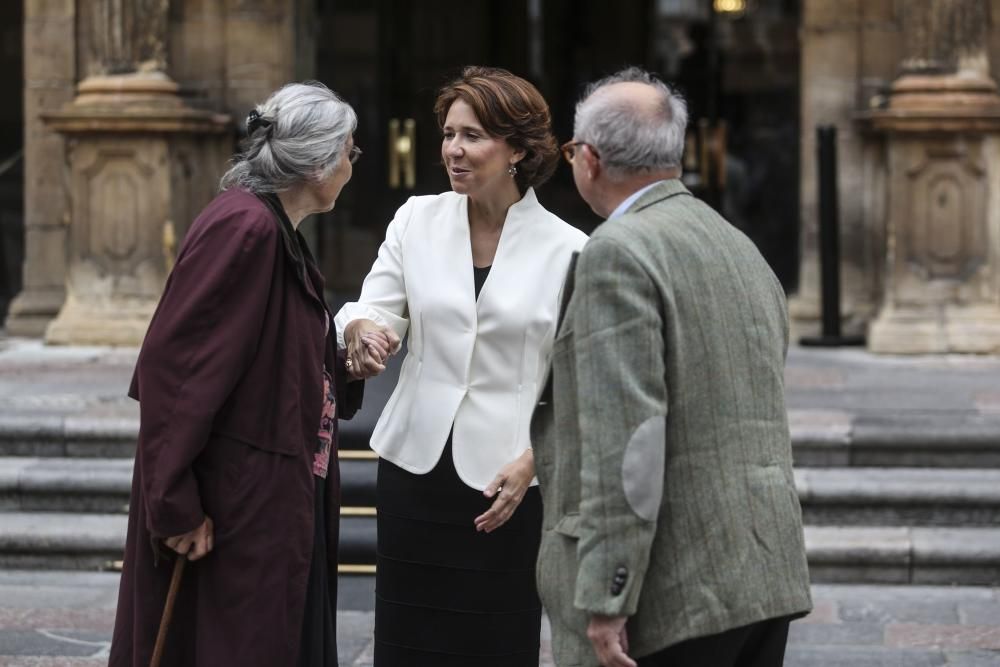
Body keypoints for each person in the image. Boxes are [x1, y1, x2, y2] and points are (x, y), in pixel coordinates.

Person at [531, 67, 812, 667]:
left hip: (673, 595)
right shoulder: (736, 243)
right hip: (761, 573)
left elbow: (625, 438)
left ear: (589, 159)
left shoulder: (618, 251)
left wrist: (609, 593)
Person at [109, 81, 388, 667]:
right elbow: (176, 372)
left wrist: (340, 358)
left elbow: (267, 353)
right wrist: (175, 504)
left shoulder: (270, 227)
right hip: (232, 503)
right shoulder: (246, 228)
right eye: (347, 152)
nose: (350, 166)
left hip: (267, 494)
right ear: (314, 161)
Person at [334, 66, 587, 666]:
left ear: (518, 149)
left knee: (495, 642)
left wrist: (534, 463)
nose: (454, 149)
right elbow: (372, 308)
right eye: (449, 133)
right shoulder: (415, 220)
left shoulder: (571, 249)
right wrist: (364, 331)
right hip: (414, 470)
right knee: (408, 642)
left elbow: (580, 378)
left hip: (508, 481)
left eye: (473, 135)